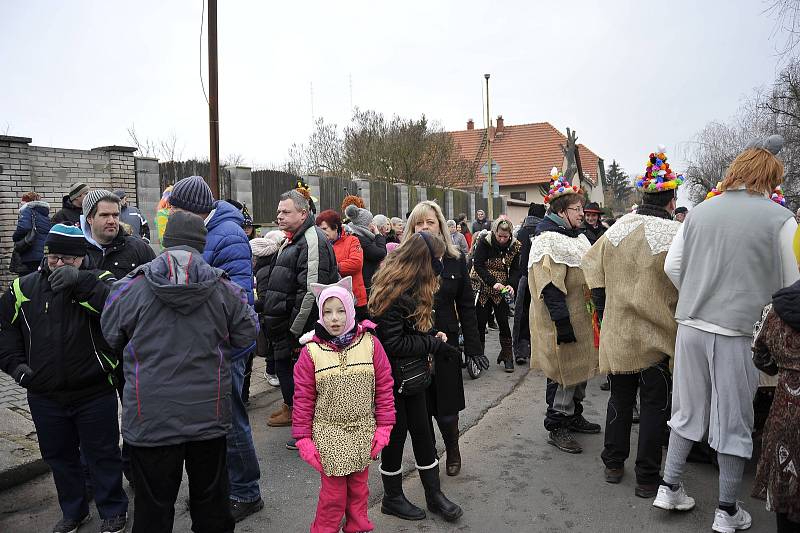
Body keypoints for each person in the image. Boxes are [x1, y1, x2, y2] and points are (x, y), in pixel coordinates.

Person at [654, 135, 799, 533]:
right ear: (770, 177)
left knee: (686, 410)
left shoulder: (699, 212)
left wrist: (700, 294)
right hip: (737, 332)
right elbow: (792, 286)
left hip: (692, 325)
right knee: (734, 419)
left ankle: (668, 486)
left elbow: (673, 267)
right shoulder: (781, 220)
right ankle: (726, 510)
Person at [101, 212, 258, 533]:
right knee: (212, 507)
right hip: (209, 419)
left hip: (150, 420)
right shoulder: (223, 287)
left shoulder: (131, 288)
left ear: (165, 242)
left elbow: (110, 333)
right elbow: (247, 333)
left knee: (152, 511)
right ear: (202, 244)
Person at [0, 224, 128, 533]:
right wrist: (17, 368)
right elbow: (5, 331)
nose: (60, 264)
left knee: (103, 455)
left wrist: (80, 283)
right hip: (45, 395)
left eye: (68, 259)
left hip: (94, 390)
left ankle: (112, 509)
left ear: (82, 257)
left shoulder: (100, 280)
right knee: (59, 457)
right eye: (54, 257)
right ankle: (74, 510)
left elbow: (118, 309)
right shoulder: (23, 288)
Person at [582, 148, 683, 498]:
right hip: (659, 336)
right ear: (671, 199)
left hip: (620, 333)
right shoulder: (676, 235)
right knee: (655, 405)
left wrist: (605, 309)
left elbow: (591, 270)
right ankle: (646, 478)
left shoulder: (617, 229)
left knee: (620, 400)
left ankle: (612, 462)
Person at [167, 175, 263, 522]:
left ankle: (247, 491)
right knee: (214, 426)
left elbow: (237, 301)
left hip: (225, 351)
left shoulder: (229, 236)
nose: (171, 214)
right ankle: (223, 490)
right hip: (203, 348)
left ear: (191, 210)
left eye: (176, 208)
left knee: (232, 423)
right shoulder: (206, 231)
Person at [370, 232, 463, 523]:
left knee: (424, 434)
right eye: (435, 259)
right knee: (396, 439)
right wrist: (433, 344)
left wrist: (429, 335)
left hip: (414, 378)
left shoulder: (411, 286)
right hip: (395, 382)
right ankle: (392, 497)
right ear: (423, 261)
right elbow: (393, 344)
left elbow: (407, 332)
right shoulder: (394, 291)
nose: (439, 265)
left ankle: (433, 495)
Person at [292, 277, 395, 533]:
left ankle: (357, 527)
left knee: (359, 490)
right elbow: (303, 399)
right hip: (329, 432)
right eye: (327, 312)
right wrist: (303, 438)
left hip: (362, 430)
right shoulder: (311, 352)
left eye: (340, 311)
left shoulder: (370, 344)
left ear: (350, 311)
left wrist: (384, 427)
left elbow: (384, 387)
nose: (334, 318)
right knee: (333, 495)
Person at [404, 201, 486, 476]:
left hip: (446, 342)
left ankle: (452, 448)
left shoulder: (455, 259)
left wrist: (473, 348)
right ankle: (429, 457)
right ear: (411, 228)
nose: (425, 228)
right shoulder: (403, 261)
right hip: (414, 343)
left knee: (447, 407)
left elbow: (466, 306)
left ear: (440, 224)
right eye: (419, 223)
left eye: (430, 222)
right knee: (421, 407)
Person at [529, 168, 600, 454]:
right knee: (563, 372)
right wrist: (562, 323)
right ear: (561, 210)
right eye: (578, 208)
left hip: (582, 317)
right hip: (563, 320)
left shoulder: (574, 235)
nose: (583, 213)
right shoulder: (548, 240)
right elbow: (548, 285)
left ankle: (574, 415)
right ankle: (557, 424)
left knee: (579, 368)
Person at [260, 190, 339, 438]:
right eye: (279, 212)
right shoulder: (292, 238)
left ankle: (308, 428)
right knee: (286, 370)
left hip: (297, 329)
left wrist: (295, 331)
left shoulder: (311, 240)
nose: (279, 216)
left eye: (286, 212)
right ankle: (293, 409)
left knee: (303, 377)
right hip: (283, 324)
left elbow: (310, 291)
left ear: (303, 213)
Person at [751, 283, 800, 532]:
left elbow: (760, 355)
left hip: (786, 410)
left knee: (784, 482)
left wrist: (782, 371)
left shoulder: (774, 310)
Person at [469, 217, 521, 372]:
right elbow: (477, 264)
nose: (503, 239)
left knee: (504, 323)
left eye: (506, 236)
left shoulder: (515, 246)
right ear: (495, 232)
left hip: (502, 289)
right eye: (500, 236)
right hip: (483, 285)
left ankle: (507, 356)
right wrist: (492, 282)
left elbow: (516, 269)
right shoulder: (485, 242)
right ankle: (478, 356)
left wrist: (511, 284)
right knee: (480, 322)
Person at [81, 190, 156, 280]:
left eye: (115, 215)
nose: (112, 221)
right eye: (105, 215)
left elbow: (157, 284)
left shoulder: (139, 248)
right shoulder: (78, 251)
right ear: (89, 218)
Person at [316, 209, 369, 318]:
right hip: (333, 300)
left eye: (325, 228)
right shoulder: (321, 244)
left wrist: (333, 267)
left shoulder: (352, 240)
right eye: (320, 230)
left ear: (335, 227)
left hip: (355, 298)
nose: (322, 232)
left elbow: (356, 263)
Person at [252, 229, 286, 390]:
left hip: (269, 313)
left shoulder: (263, 269)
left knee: (272, 346)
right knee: (271, 347)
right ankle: (270, 372)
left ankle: (271, 371)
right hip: (270, 314)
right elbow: (265, 298)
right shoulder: (266, 270)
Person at [512, 203, 546, 365]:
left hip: (523, 279)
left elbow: (515, 259)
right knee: (541, 314)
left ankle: (520, 350)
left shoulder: (521, 233)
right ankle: (539, 351)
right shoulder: (544, 232)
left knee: (523, 315)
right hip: (540, 279)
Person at [345, 204, 387, 294]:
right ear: (365, 223)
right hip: (365, 284)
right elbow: (380, 253)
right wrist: (378, 234)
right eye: (371, 221)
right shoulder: (360, 239)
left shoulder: (359, 235)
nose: (372, 224)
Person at [12, 192, 52, 275]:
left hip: (30, 252)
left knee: (27, 280)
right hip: (43, 253)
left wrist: (15, 237)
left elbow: (24, 227)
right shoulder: (45, 214)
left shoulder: (27, 210)